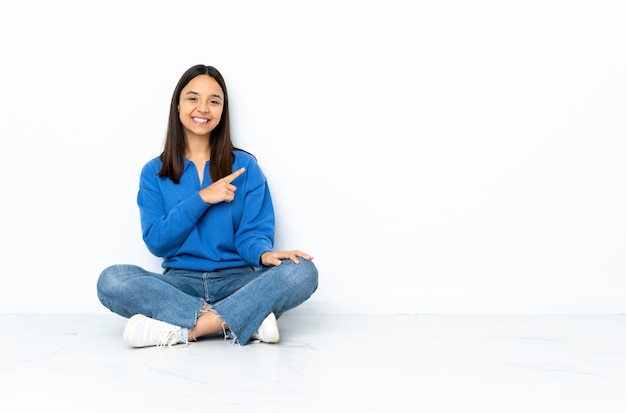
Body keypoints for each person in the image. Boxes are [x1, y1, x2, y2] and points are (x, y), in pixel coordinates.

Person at [97, 64, 318, 348]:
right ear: (177, 105)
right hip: (180, 285)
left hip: (237, 281)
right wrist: (202, 199)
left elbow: (252, 233)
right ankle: (244, 319)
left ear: (222, 111)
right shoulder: (154, 172)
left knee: (302, 271)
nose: (203, 108)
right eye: (193, 98)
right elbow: (158, 243)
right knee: (113, 280)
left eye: (214, 101)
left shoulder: (245, 167)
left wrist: (263, 254)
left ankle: (184, 329)